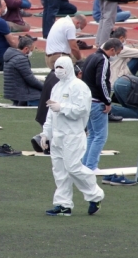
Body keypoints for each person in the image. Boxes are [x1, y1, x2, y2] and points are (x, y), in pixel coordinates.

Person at [40, 57, 104, 216]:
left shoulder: (79, 87)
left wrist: (61, 107)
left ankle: (95, 195)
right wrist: (45, 133)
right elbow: (50, 112)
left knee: (73, 168)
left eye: (61, 67)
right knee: (59, 171)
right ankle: (63, 205)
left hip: (72, 135)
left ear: (69, 67)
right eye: (56, 67)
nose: (58, 70)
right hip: (57, 135)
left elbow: (82, 110)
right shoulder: (56, 87)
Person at [81, 38, 124, 171]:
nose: (115, 56)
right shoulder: (103, 60)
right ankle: (91, 165)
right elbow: (102, 82)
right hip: (97, 102)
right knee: (100, 136)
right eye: (116, 53)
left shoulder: (91, 57)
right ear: (112, 49)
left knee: (92, 134)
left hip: (87, 101)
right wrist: (107, 101)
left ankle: (85, 164)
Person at [3, 36, 42, 106]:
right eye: (31, 50)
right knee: (46, 95)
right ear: (26, 48)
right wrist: (44, 87)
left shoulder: (11, 56)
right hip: (20, 93)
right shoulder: (21, 59)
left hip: (12, 92)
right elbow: (31, 80)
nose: (31, 52)